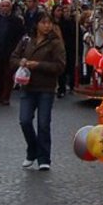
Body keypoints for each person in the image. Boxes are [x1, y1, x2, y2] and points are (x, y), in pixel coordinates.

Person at [11, 12, 65, 171]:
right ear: (37, 24)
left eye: (49, 23)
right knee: (25, 120)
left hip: (46, 87)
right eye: (43, 23)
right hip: (27, 86)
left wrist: (39, 65)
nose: (47, 26)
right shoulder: (26, 40)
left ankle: (44, 157)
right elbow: (13, 58)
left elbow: (60, 66)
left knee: (43, 124)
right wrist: (20, 62)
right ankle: (32, 148)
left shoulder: (56, 43)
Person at [0, 0, 24, 105]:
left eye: (7, 6)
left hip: (10, 52)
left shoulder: (16, 20)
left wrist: (18, 51)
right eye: (2, 6)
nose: (4, 8)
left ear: (10, 7)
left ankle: (6, 97)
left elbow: (20, 36)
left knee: (8, 74)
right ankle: (0, 93)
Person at [55, 6, 77, 98]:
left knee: (71, 67)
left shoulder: (74, 23)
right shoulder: (60, 23)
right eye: (64, 11)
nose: (66, 12)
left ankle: (72, 85)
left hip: (71, 47)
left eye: (68, 10)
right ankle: (62, 88)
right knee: (62, 69)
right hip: (62, 47)